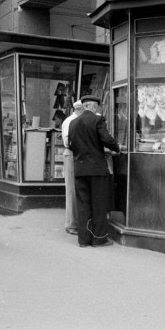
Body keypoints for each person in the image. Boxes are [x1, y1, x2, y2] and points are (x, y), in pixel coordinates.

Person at [68, 95, 120, 248]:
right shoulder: (98, 120)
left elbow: (70, 144)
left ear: (84, 106)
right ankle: (99, 239)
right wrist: (116, 148)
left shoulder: (73, 122)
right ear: (94, 107)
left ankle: (83, 240)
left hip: (80, 169)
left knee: (83, 204)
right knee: (98, 204)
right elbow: (107, 139)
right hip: (97, 169)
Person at [61, 100, 84, 235]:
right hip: (72, 154)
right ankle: (71, 224)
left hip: (76, 154)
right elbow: (68, 141)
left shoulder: (72, 120)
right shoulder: (70, 121)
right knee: (71, 189)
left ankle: (75, 222)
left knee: (75, 189)